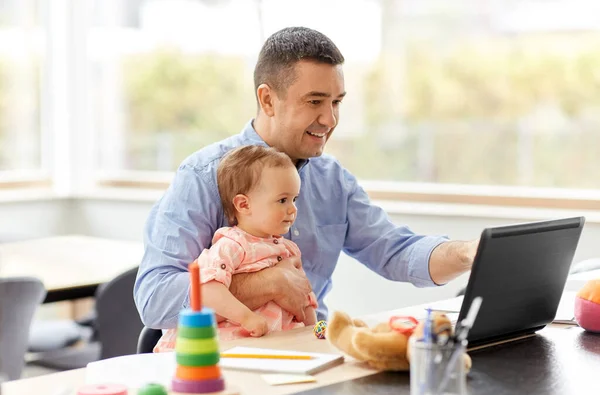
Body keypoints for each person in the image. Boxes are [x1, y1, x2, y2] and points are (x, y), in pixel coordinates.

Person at [134, 26, 478, 330]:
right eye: (315, 101)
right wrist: (265, 283)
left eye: (337, 103)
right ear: (267, 99)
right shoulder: (203, 176)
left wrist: (467, 253)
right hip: (225, 364)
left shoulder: (332, 180)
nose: (329, 119)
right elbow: (154, 298)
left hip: (310, 351)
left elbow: (395, 252)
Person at [153, 145, 317, 351]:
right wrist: (246, 318)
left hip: (273, 347)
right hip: (229, 346)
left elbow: (304, 297)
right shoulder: (232, 245)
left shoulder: (289, 250)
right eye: (282, 200)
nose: (293, 209)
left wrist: (316, 330)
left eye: (294, 199)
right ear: (243, 205)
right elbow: (207, 288)